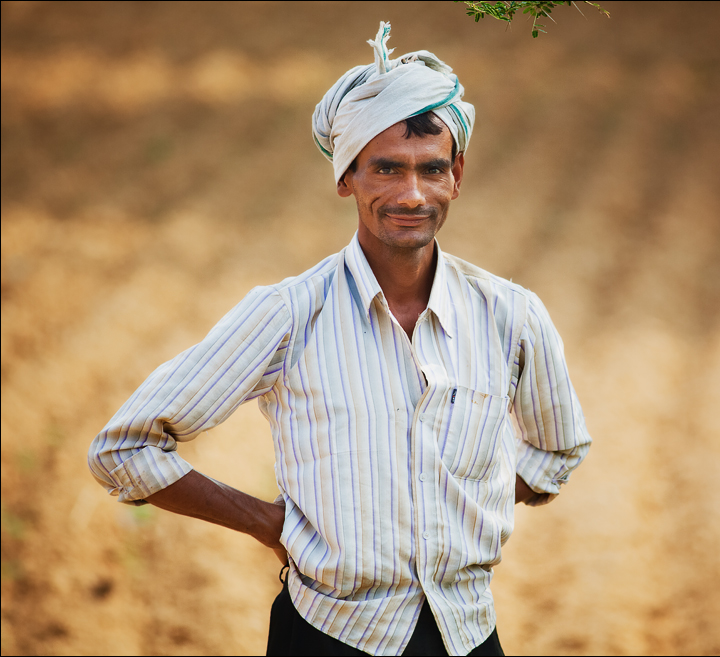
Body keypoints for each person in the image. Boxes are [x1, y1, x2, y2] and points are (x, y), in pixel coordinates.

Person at [88, 22, 591, 657]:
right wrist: (271, 524)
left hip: (468, 635)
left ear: (456, 175)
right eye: (386, 169)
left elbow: (557, 451)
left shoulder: (511, 315)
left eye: (430, 170)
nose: (411, 194)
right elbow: (123, 448)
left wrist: (464, 494)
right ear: (345, 177)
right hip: (329, 637)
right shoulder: (289, 314)